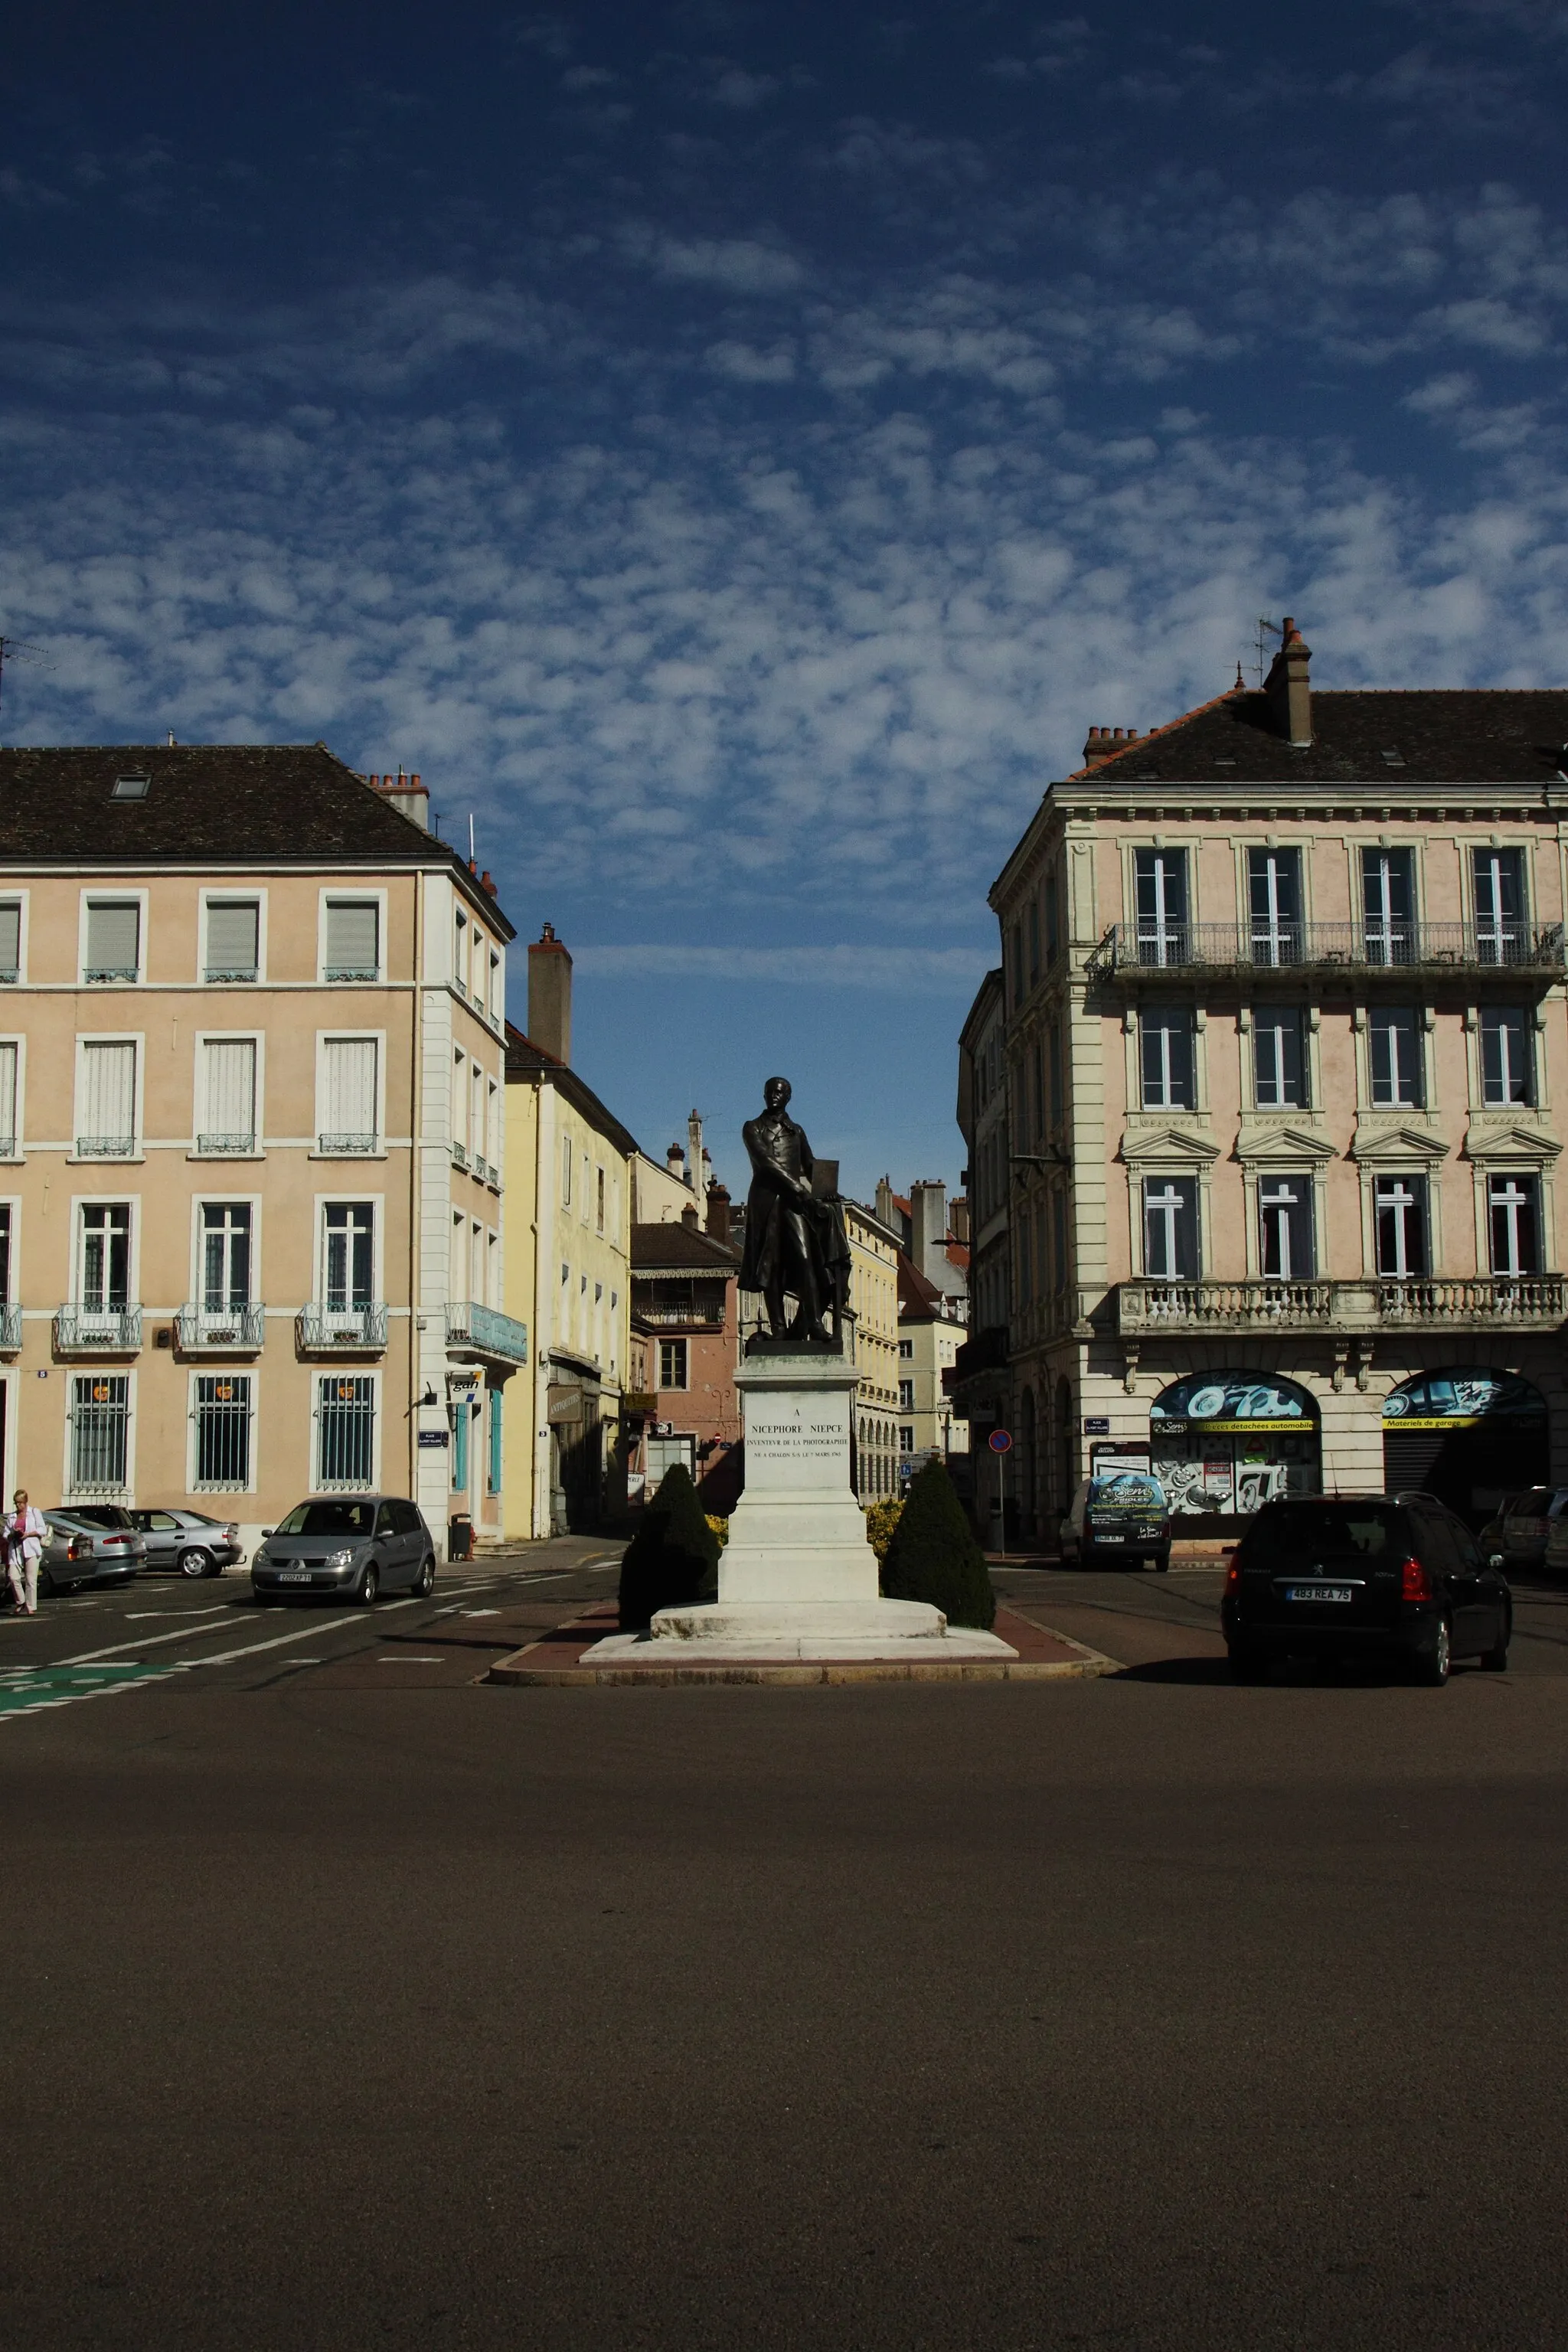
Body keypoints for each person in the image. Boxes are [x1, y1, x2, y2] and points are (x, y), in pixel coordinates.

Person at [5, 1488, 46, 1616]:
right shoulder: (12, 1517)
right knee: (13, 1577)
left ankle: (30, 1606)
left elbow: (42, 1530)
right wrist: (12, 1534)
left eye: (21, 1503)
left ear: (26, 1502)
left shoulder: (34, 1512)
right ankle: (21, 1601)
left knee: (31, 1580)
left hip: (31, 1548)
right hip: (15, 1549)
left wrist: (28, 1534)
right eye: (16, 1503)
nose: (19, 1506)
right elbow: (6, 1534)